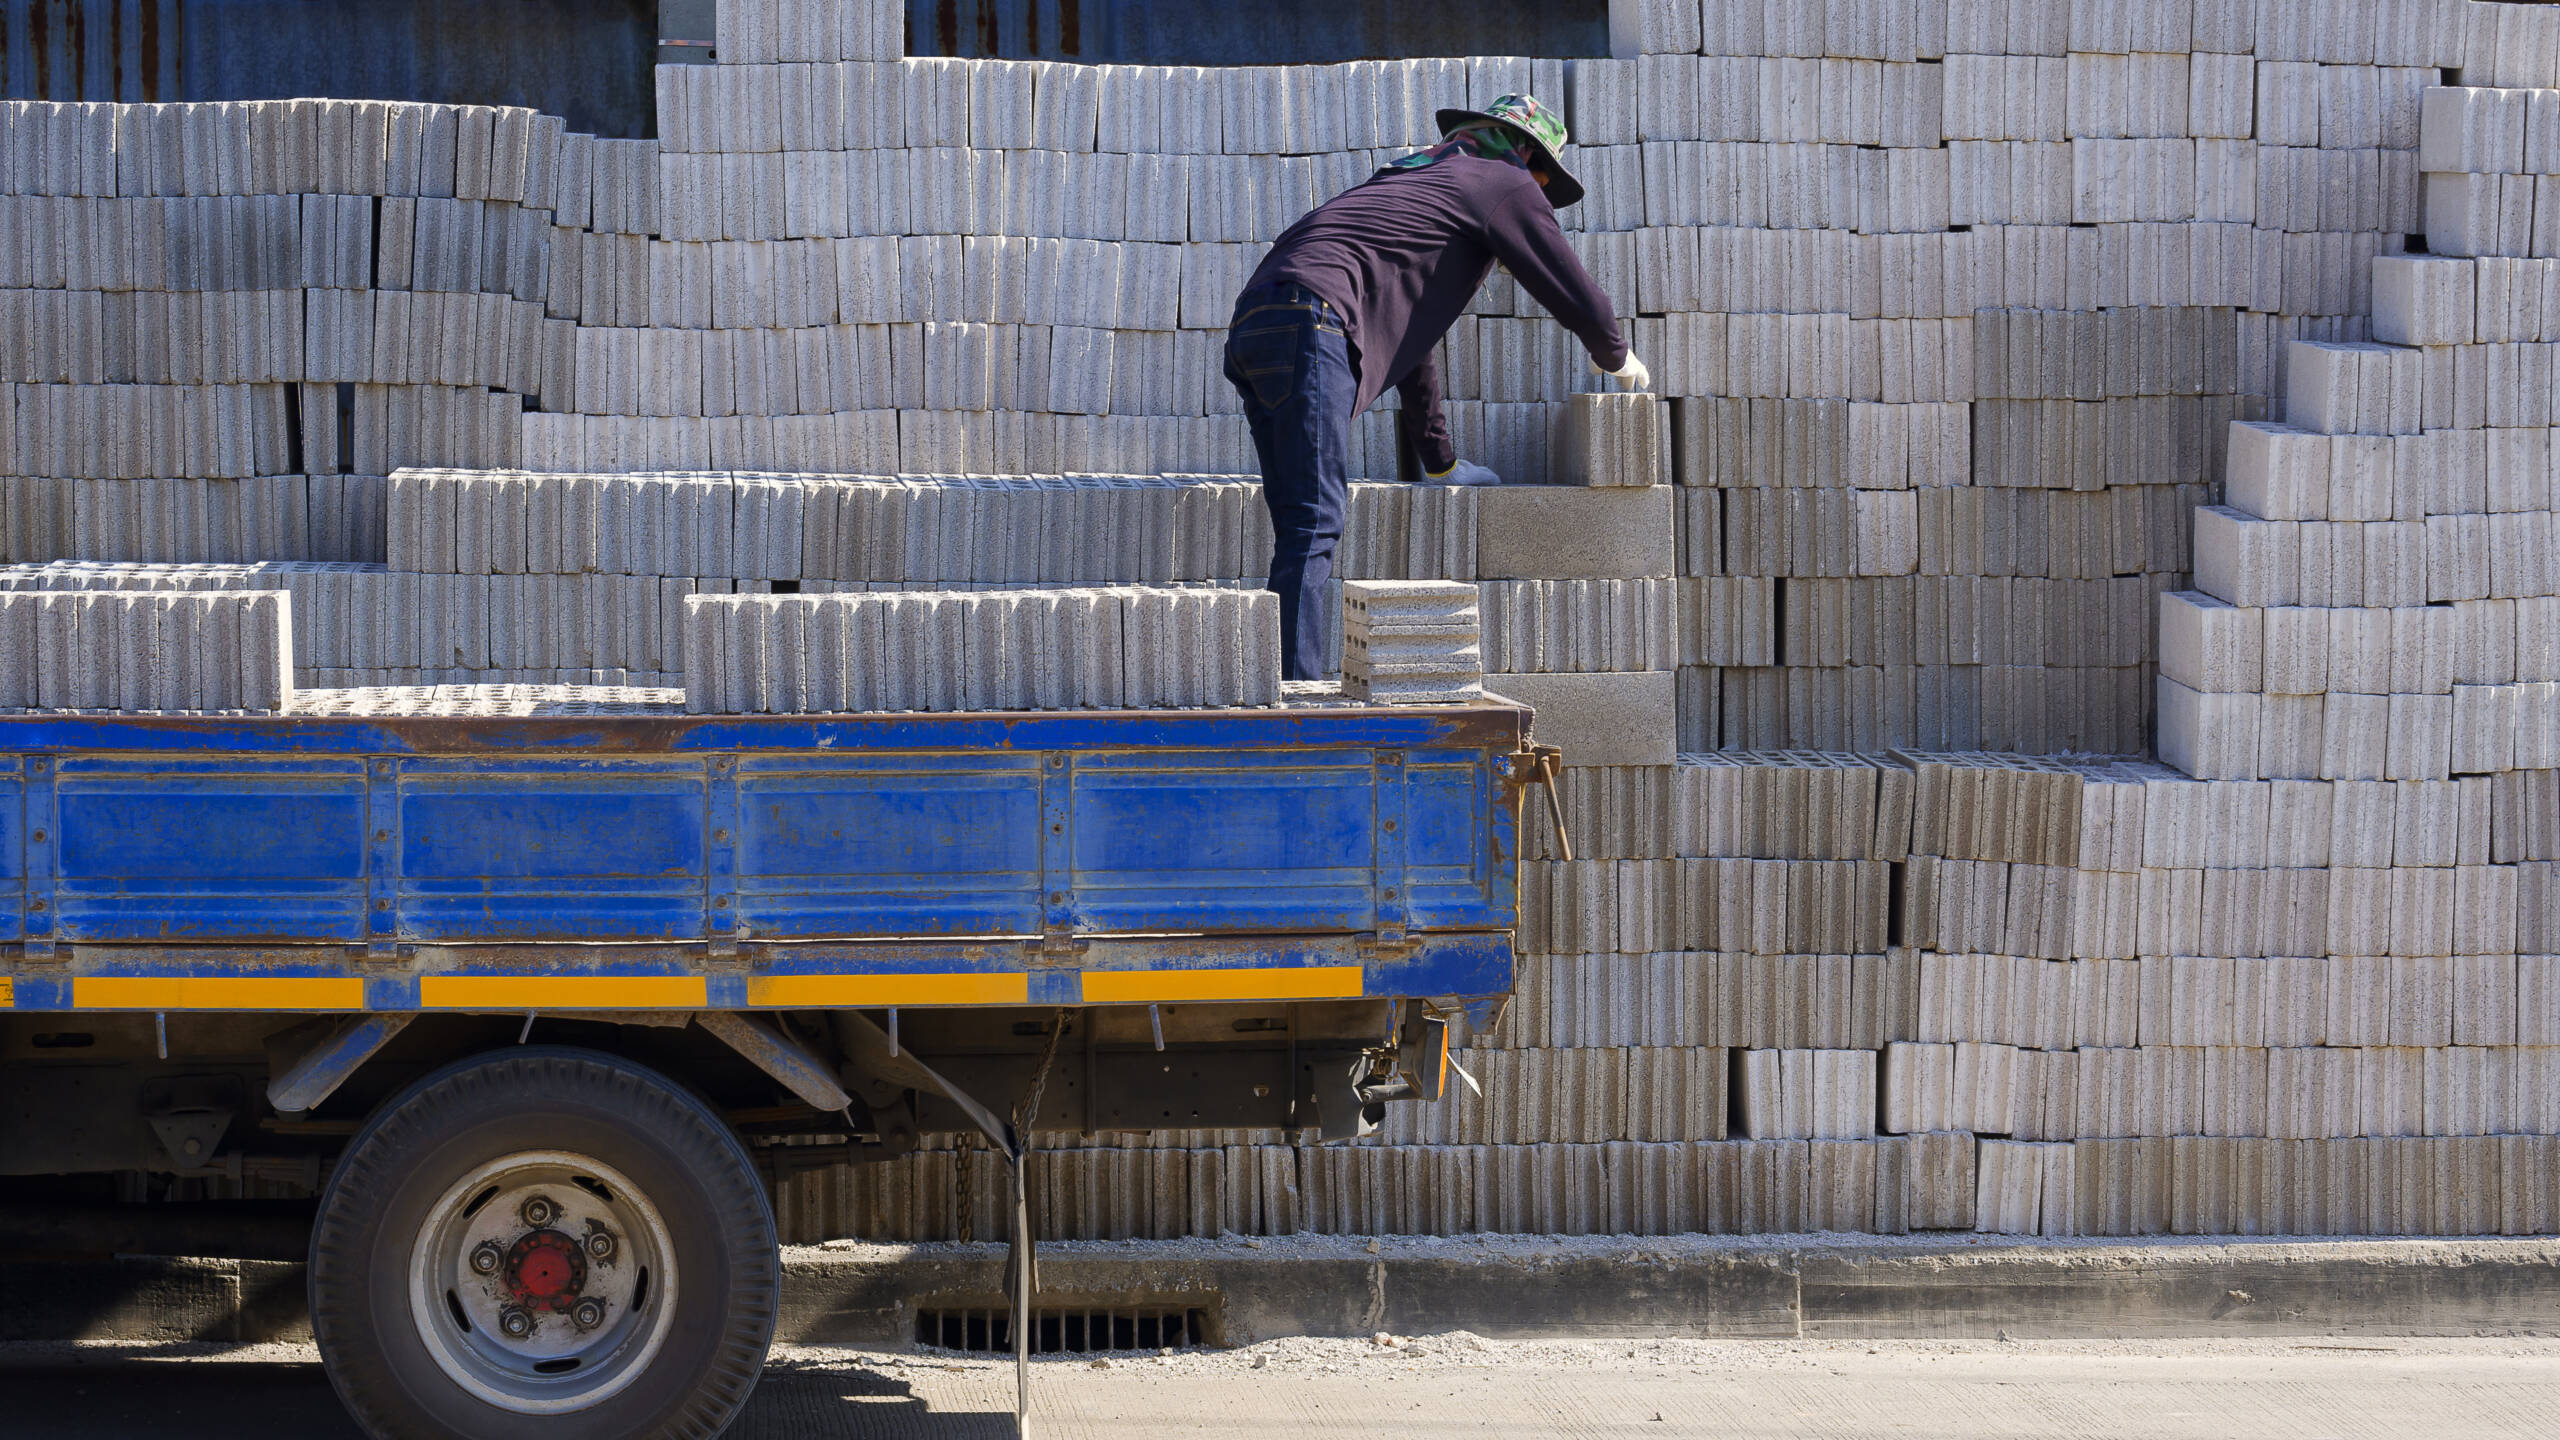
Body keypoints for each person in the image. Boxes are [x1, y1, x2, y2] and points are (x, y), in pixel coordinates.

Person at [1224, 93, 1651, 682]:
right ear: (1525, 151)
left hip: (1259, 322)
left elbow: (1407, 330)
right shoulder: (1503, 177)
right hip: (1314, 323)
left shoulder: (1412, 176)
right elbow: (1566, 282)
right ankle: (1297, 706)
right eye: (1544, 180)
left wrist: (1440, 461)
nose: (1540, 195)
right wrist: (1616, 355)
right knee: (1314, 522)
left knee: (1301, 520)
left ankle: (1280, 688)